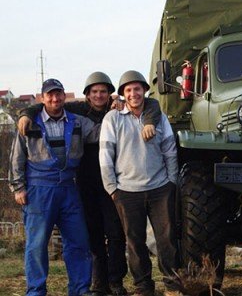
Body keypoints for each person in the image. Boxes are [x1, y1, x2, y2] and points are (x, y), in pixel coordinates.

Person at [17, 72, 162, 296]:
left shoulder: (113, 113)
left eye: (103, 91)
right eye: (94, 91)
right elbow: (44, 111)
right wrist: (26, 112)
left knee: (112, 235)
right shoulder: (74, 113)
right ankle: (93, 284)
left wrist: (124, 107)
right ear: (86, 95)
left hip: (111, 183)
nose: (99, 95)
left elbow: (148, 104)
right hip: (79, 185)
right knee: (83, 238)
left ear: (110, 93)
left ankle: (109, 283)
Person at [9, 78, 98, 296]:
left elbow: (100, 132)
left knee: (78, 242)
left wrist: (118, 112)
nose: (55, 98)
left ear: (64, 96)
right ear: (42, 98)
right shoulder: (29, 122)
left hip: (69, 188)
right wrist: (18, 187)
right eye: (50, 94)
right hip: (39, 191)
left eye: (58, 94)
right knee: (37, 245)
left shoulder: (77, 122)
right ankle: (36, 290)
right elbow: (16, 157)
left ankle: (80, 289)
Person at [99, 70, 180, 296]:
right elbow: (105, 155)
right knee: (135, 243)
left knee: (167, 240)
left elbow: (170, 150)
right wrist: (112, 188)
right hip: (126, 190)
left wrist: (171, 182)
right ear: (123, 94)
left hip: (160, 188)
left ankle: (172, 285)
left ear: (144, 90)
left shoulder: (158, 116)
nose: (133, 93)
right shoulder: (112, 119)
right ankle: (143, 287)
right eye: (128, 90)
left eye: (137, 88)